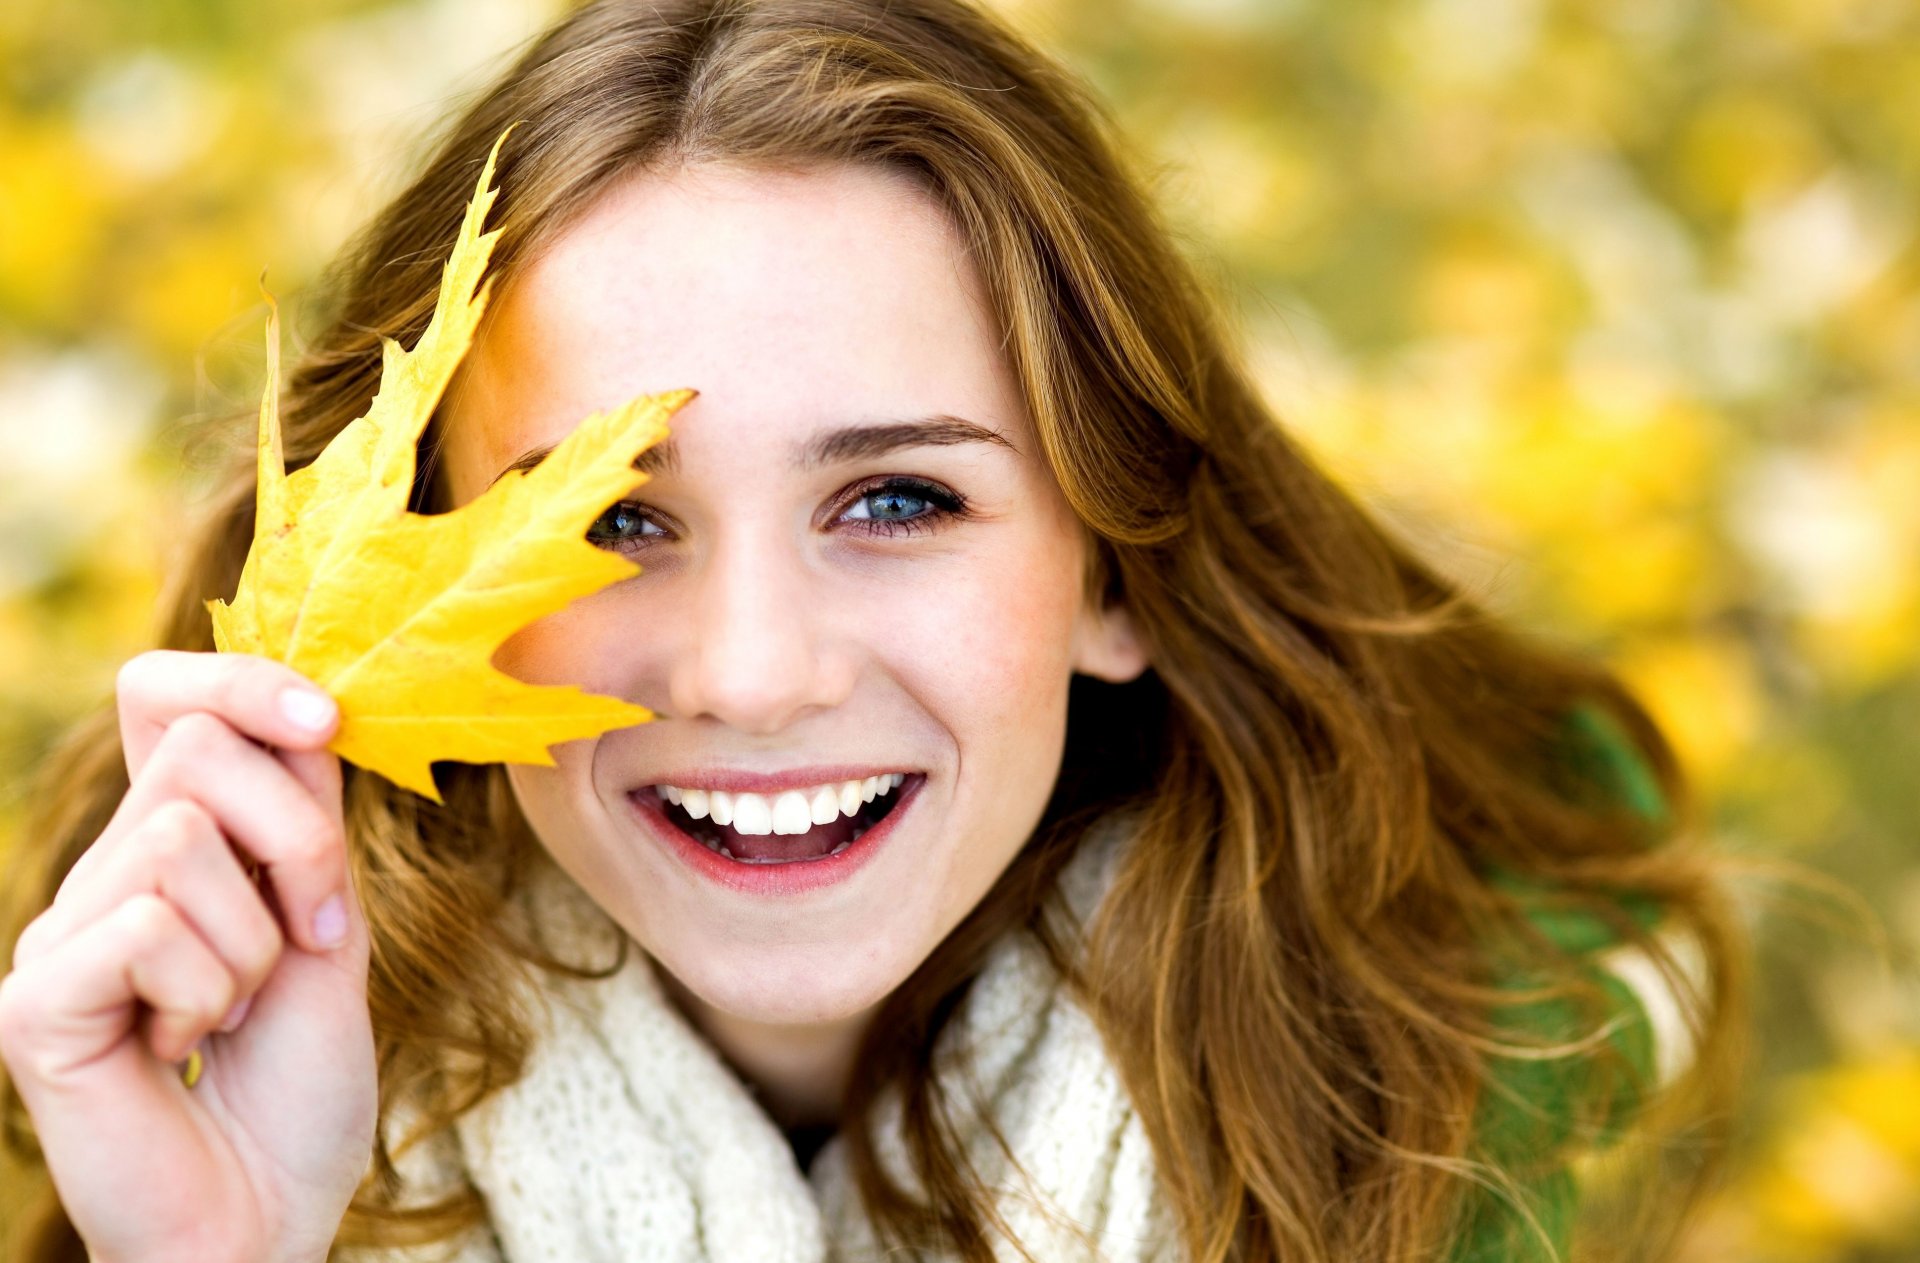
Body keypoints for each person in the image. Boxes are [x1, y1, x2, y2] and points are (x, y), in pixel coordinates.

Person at [0, 1, 1745, 1260]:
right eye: (608, 522)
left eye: (898, 501)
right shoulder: (180, 1052)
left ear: (1117, 574)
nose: (755, 675)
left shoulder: (1445, 1091)